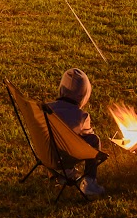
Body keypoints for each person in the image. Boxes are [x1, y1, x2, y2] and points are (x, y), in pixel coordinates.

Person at [45, 67, 106, 197]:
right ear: (84, 94)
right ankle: (89, 182)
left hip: (46, 154)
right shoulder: (81, 116)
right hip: (65, 158)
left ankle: (59, 173)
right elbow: (87, 139)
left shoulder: (46, 109)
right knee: (93, 140)